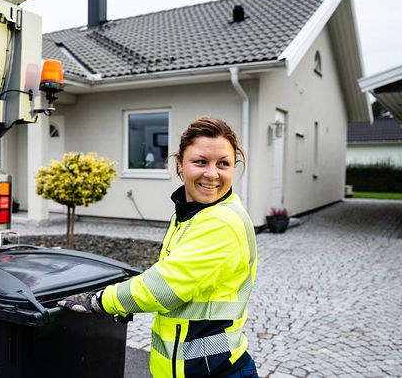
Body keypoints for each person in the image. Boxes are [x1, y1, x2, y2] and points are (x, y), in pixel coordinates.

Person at [58, 117, 258, 378]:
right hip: (190, 369)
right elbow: (172, 271)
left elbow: (163, 287)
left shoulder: (222, 222)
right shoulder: (189, 214)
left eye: (224, 164)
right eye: (201, 161)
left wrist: (101, 300)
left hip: (218, 371)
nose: (212, 174)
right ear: (179, 164)